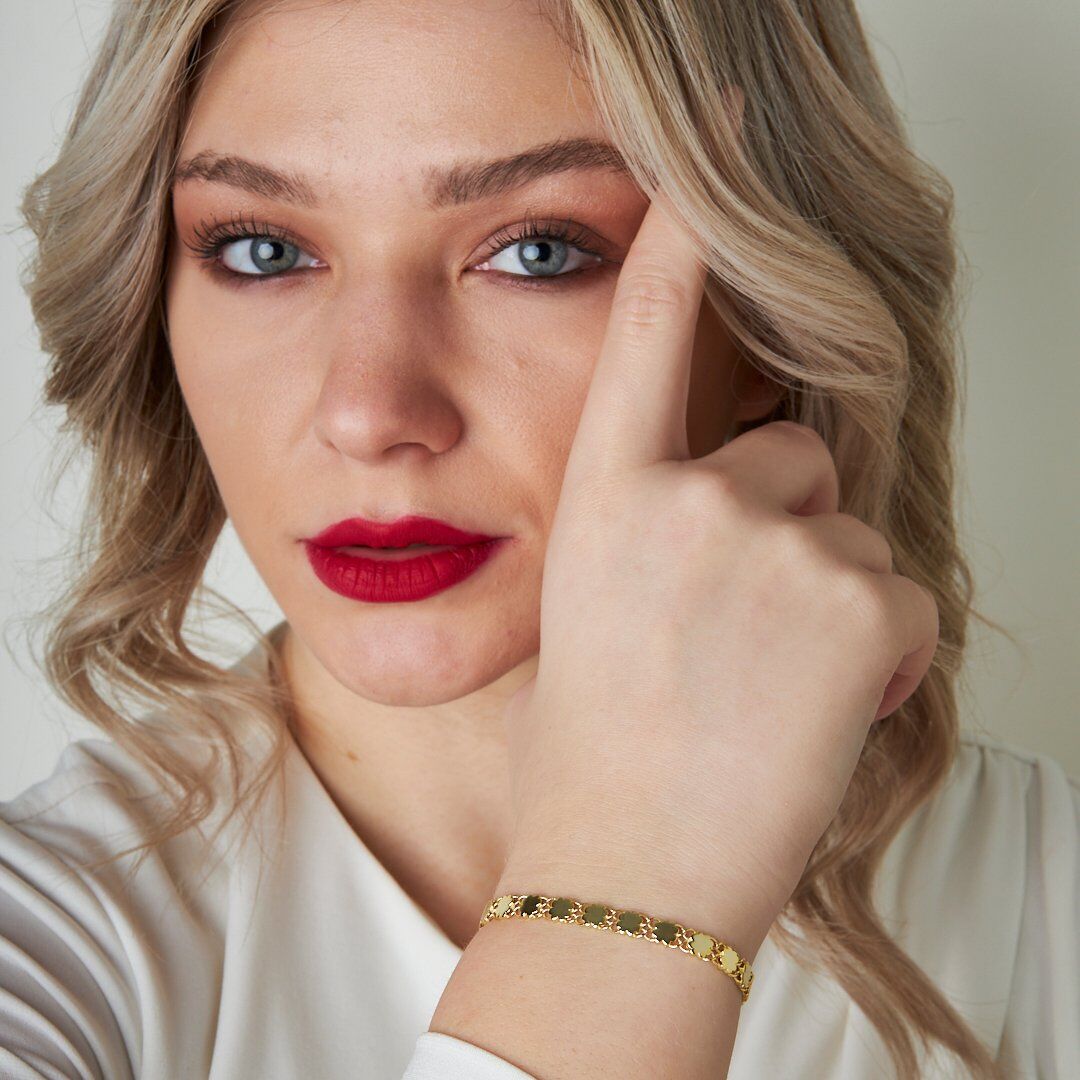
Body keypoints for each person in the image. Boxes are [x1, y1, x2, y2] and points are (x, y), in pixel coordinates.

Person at [2, 0, 1076, 1077]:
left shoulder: (1040, 896)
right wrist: (630, 885)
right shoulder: (44, 947)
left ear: (764, 318)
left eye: (539, 252)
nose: (369, 412)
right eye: (263, 249)